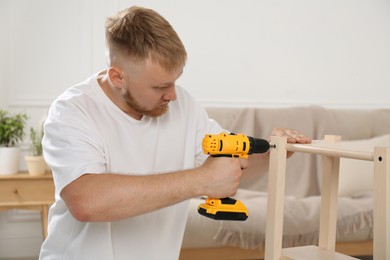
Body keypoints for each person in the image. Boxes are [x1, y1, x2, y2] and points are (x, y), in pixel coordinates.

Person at [39, 6, 311, 260]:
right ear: (117, 77)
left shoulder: (183, 104)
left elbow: (226, 165)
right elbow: (87, 201)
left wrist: (275, 152)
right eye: (160, 87)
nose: (171, 95)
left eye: (175, 82)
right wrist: (202, 180)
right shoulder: (73, 111)